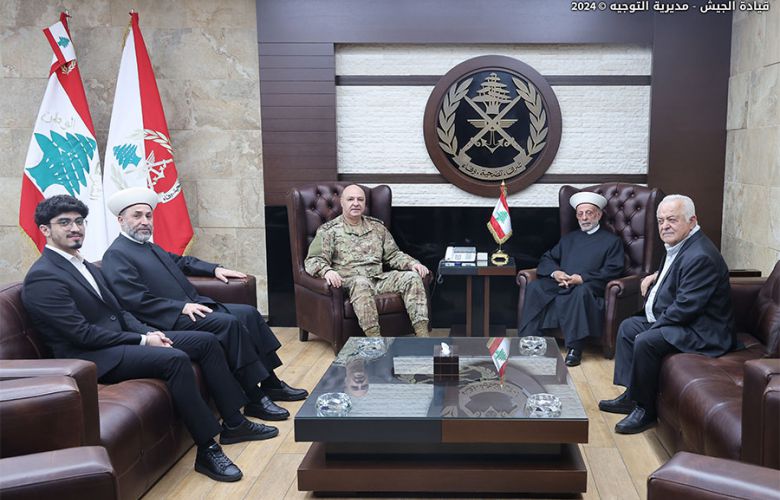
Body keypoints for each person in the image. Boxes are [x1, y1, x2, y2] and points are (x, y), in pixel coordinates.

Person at [21, 195, 278, 483]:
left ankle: (235, 422)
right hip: (91, 358)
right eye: (64, 223)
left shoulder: (85, 266)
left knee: (206, 342)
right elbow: (81, 334)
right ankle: (208, 449)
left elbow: (119, 311)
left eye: (79, 221)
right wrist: (141, 341)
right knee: (175, 360)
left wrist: (147, 332)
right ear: (45, 230)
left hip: (119, 340)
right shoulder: (43, 277)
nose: (75, 228)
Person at [100, 187, 307, 424]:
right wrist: (179, 308)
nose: (145, 221)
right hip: (164, 319)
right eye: (137, 216)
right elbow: (134, 299)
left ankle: (271, 383)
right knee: (228, 324)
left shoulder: (150, 247)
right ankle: (254, 397)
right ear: (121, 220)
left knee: (249, 314)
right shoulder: (116, 254)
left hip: (192, 308)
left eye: (148, 215)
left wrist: (214, 269)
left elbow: (182, 262)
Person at [598, 194, 734, 434]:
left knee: (646, 340)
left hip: (702, 330)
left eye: (672, 219)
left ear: (692, 221)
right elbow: (676, 273)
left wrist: (654, 326)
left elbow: (686, 308)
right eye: (661, 221)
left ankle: (646, 410)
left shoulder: (701, 256)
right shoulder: (681, 244)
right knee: (628, 327)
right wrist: (655, 276)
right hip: (686, 322)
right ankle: (632, 395)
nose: (665, 226)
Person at [303, 184, 431, 338]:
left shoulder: (377, 227)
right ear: (342, 202)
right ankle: (375, 340)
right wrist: (327, 271)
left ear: (365, 203)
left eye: (360, 199)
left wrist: (412, 263)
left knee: (412, 277)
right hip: (350, 282)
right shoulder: (329, 231)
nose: (356, 203)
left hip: (378, 279)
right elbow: (313, 260)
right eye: (350, 199)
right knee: (360, 282)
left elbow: (393, 255)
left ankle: (423, 336)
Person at [518, 192, 624, 367]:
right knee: (536, 287)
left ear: (599, 215)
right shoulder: (569, 238)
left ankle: (575, 348)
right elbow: (547, 258)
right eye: (580, 214)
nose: (584, 218)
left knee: (580, 292)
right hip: (562, 283)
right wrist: (556, 273)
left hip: (589, 286)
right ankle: (531, 340)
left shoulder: (612, 242)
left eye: (589, 213)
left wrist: (582, 279)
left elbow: (612, 270)